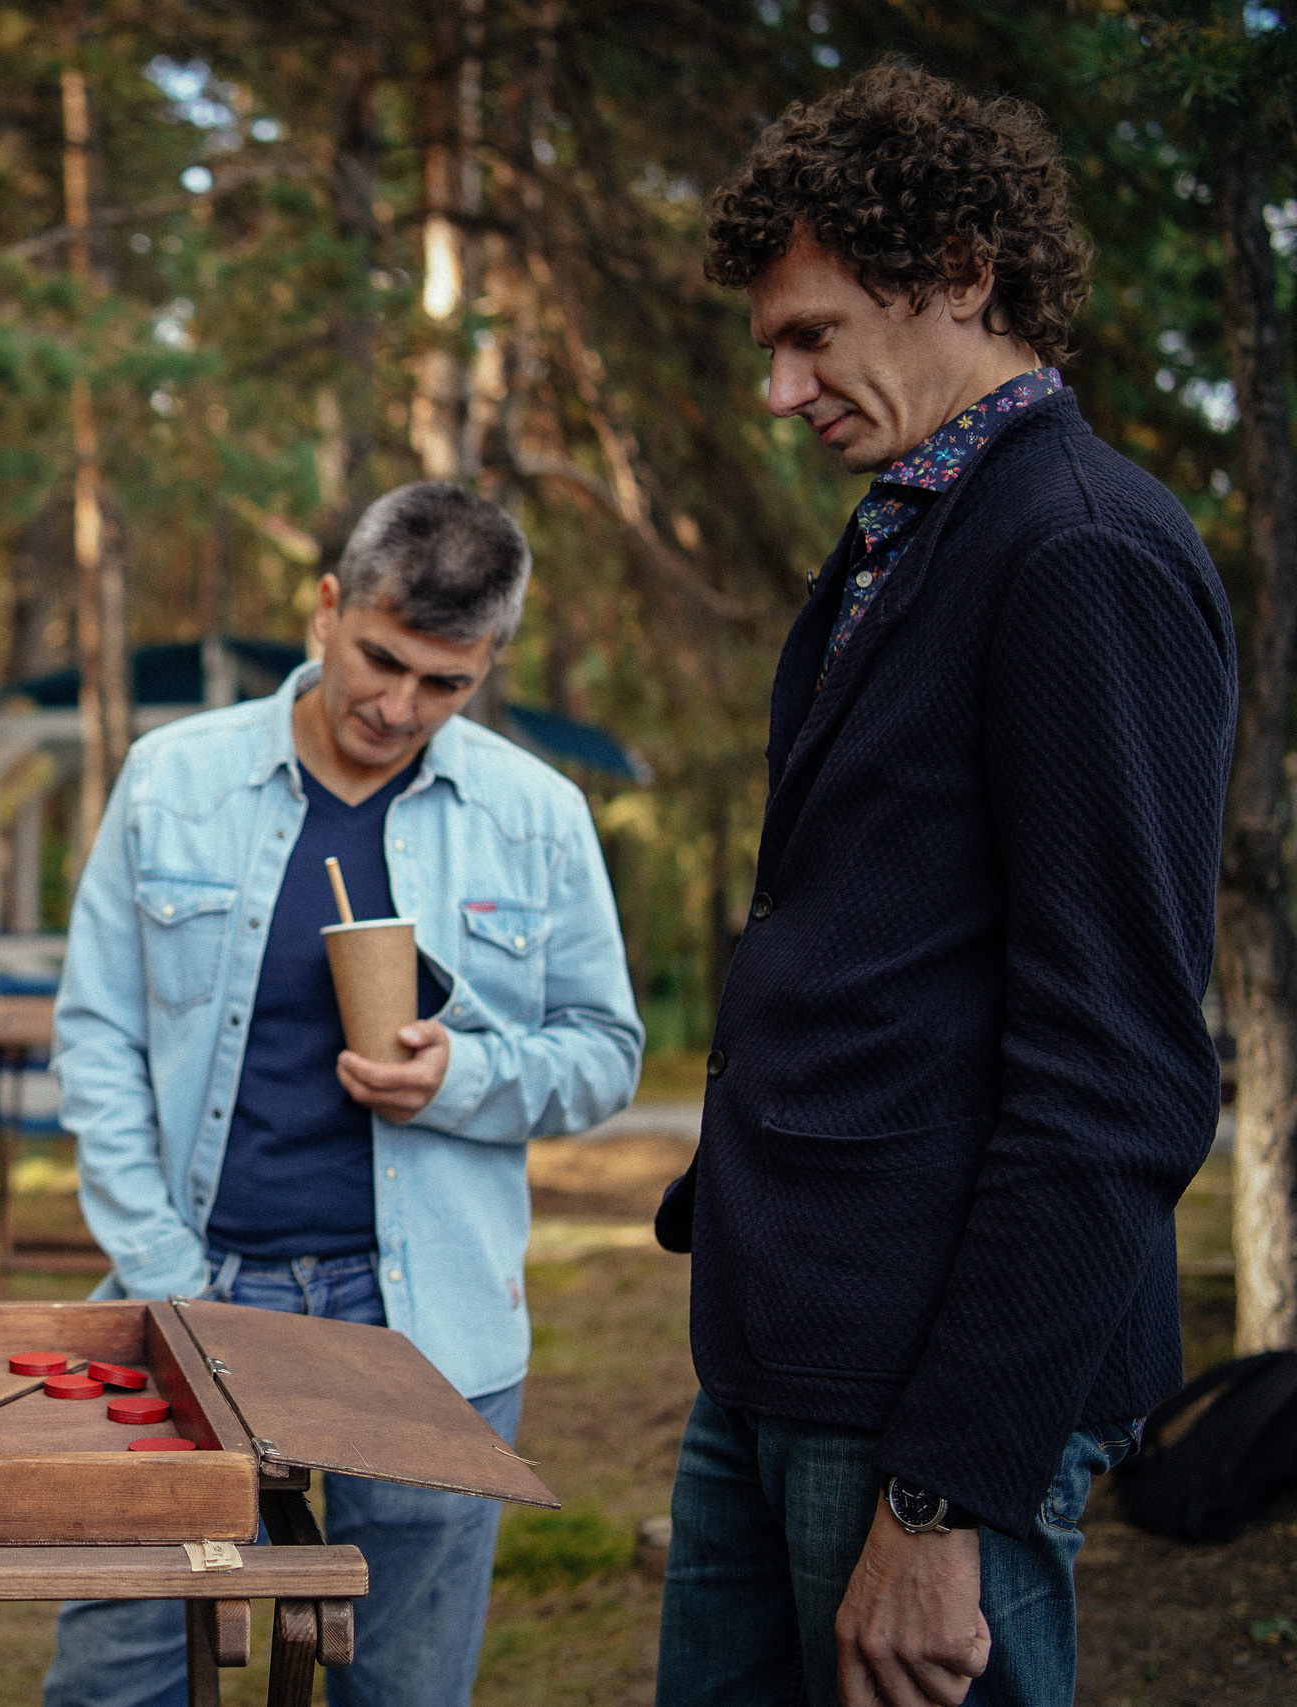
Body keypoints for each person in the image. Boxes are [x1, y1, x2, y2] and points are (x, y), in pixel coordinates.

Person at [655, 64, 1235, 1707]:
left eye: (815, 335)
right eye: (772, 344)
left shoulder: (1082, 555)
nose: (782, 391)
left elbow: (1120, 1072)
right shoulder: (911, 526)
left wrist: (948, 1490)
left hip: (921, 1396)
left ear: (967, 271)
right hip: (785, 1344)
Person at [45, 482, 645, 1707]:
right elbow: (96, 1035)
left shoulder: (536, 818)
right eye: (379, 659)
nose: (396, 706)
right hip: (192, 1294)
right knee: (116, 1682)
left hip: (431, 1334)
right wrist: (162, 1265)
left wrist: (461, 1078)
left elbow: (603, 1053)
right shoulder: (173, 780)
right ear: (325, 608)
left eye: (445, 684)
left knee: (401, 1692)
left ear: (488, 667)